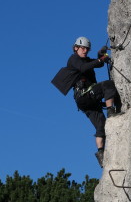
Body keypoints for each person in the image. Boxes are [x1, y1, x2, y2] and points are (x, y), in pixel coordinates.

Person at [51, 36, 121, 167]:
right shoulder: (74, 59)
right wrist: (101, 58)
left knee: (101, 125)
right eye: (82, 48)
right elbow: (84, 68)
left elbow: (98, 63)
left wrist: (101, 54)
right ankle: (111, 111)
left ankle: (101, 153)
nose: (85, 51)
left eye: (87, 49)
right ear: (76, 48)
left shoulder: (86, 60)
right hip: (84, 95)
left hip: (87, 101)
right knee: (108, 85)